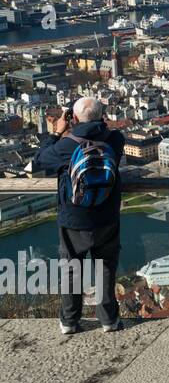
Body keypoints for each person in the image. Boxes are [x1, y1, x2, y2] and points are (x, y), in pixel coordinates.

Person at [33, 97, 126, 335]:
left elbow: (39, 161)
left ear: (73, 119)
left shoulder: (66, 145)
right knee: (105, 266)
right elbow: (110, 134)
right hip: (106, 214)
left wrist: (57, 133)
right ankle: (109, 319)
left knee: (71, 268)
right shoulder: (115, 139)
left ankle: (70, 321)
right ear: (102, 116)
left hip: (73, 217)